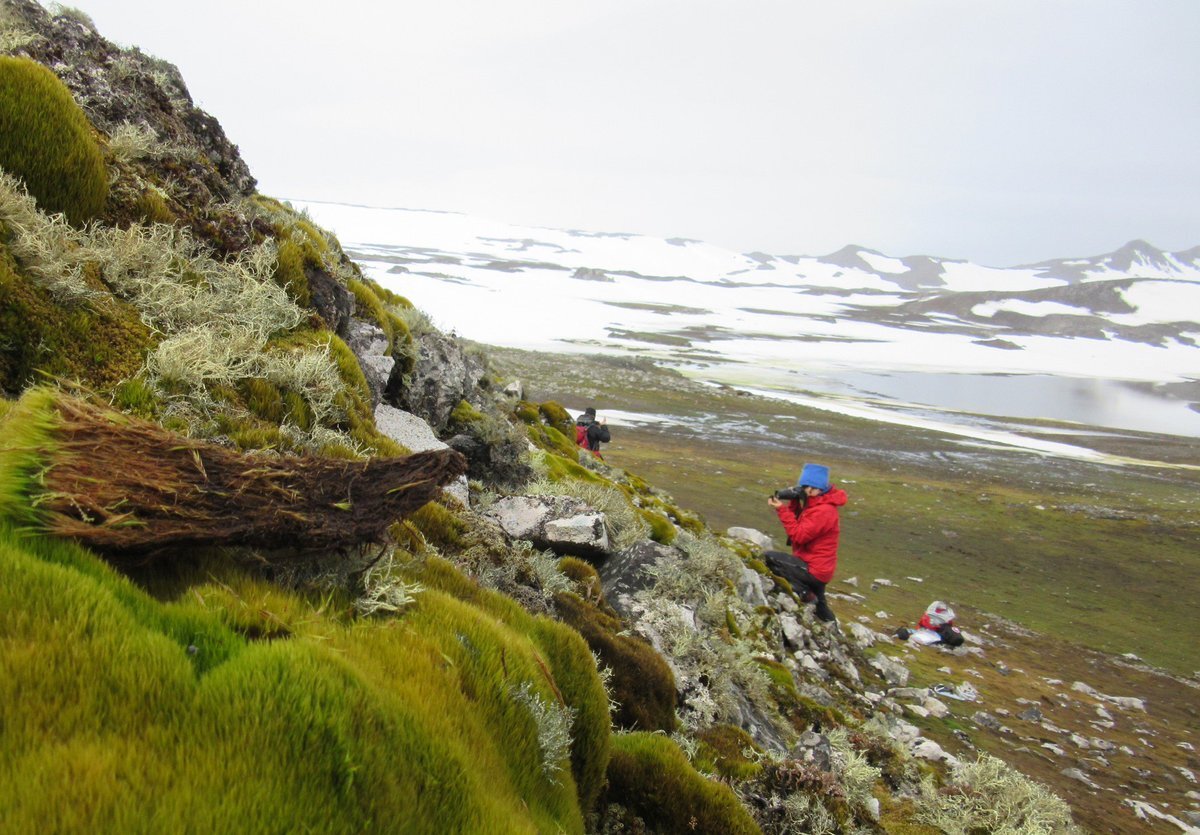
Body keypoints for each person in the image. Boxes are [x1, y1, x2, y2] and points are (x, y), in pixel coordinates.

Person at [763, 463, 847, 623]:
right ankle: (833, 628)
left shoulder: (824, 511)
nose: (803, 490)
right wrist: (794, 503)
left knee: (768, 558)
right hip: (819, 568)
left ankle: (804, 593)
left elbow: (798, 535)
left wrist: (781, 509)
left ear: (814, 489)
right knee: (822, 609)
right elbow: (800, 524)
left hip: (813, 569)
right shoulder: (816, 505)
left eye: (805, 487)